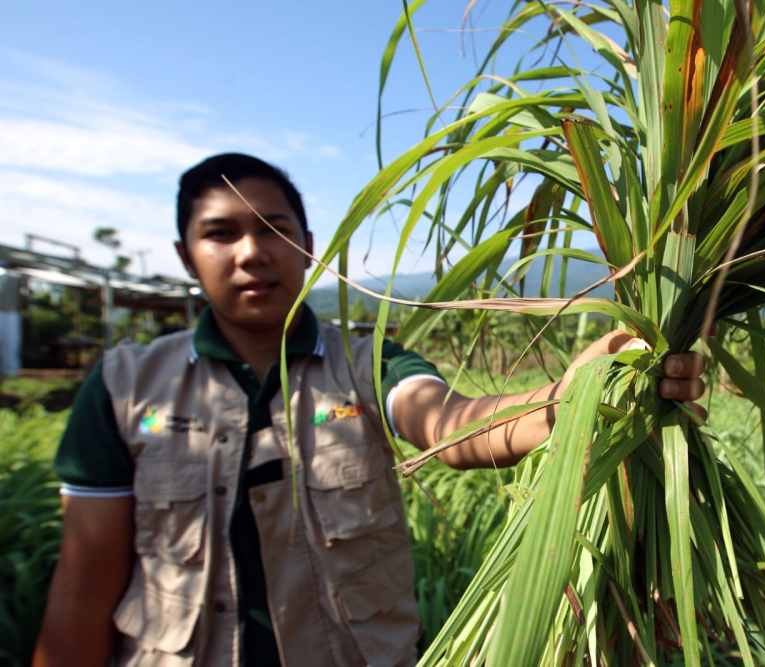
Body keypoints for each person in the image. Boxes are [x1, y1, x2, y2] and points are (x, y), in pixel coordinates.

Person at [32, 153, 707, 667]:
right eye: (220, 233)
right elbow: (85, 579)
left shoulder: (367, 361)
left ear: (308, 244)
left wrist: (572, 395)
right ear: (187, 255)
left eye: (273, 227)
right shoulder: (125, 385)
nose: (250, 252)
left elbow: (449, 422)